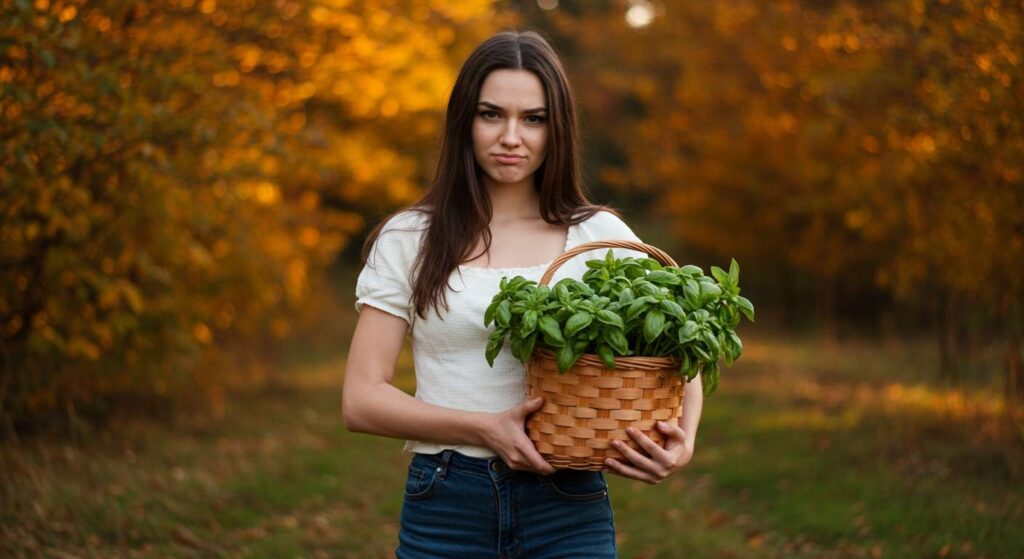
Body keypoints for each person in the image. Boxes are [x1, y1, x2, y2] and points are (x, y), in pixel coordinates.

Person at [342, 29, 703, 558]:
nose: (511, 136)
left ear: (557, 129)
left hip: (566, 503)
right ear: (464, 121)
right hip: (445, 502)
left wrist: (684, 442)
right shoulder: (411, 237)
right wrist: (485, 428)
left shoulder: (597, 237)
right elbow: (361, 400)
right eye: (492, 114)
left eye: (533, 118)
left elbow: (679, 357)